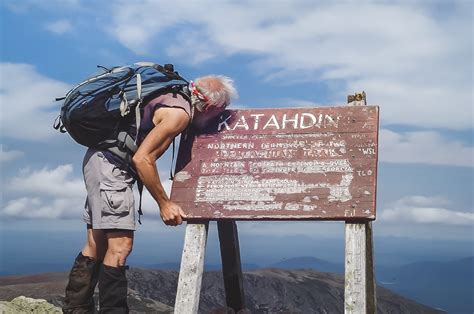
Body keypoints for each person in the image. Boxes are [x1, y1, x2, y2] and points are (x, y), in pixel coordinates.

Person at [62, 75, 237, 313]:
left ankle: (76, 308)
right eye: (221, 111)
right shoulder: (179, 114)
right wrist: (164, 203)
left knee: (97, 242)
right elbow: (143, 159)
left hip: (99, 161)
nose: (218, 117)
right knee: (121, 246)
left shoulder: (171, 97)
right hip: (112, 167)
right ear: (208, 106)